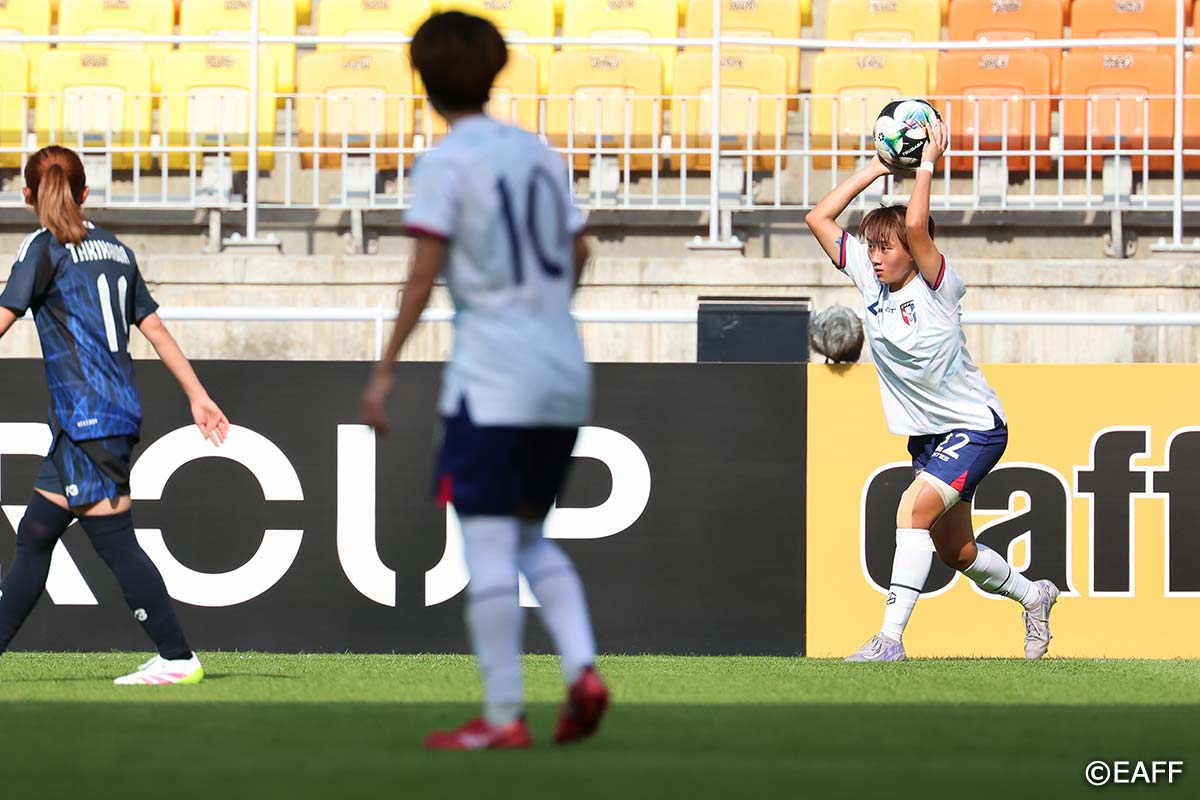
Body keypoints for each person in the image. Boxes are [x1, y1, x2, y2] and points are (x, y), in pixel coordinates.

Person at [360, 12, 609, 749]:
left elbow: (423, 273)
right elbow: (581, 251)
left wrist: (384, 370)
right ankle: (583, 670)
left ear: (423, 80)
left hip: (492, 379)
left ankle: (504, 717)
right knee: (530, 534)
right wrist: (541, 309)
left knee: (490, 547)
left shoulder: (446, 162)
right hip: (561, 368)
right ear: (494, 71)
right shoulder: (536, 153)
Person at [805, 121, 1059, 662]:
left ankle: (889, 640)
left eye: (886, 247)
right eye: (871, 247)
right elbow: (818, 218)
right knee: (956, 551)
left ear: (912, 251)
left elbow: (917, 223)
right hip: (928, 436)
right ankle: (1033, 596)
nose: (875, 256)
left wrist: (925, 164)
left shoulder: (938, 286)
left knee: (911, 512)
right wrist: (878, 166)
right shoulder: (871, 282)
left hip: (975, 426)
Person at [0, 146, 229, 684]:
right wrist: (198, 395)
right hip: (107, 414)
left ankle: (177, 658)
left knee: (116, 540)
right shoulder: (116, 249)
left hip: (88, 418)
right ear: (84, 192)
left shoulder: (42, 248)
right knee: (35, 534)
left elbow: (3, 317)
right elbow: (154, 328)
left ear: (27, 195)